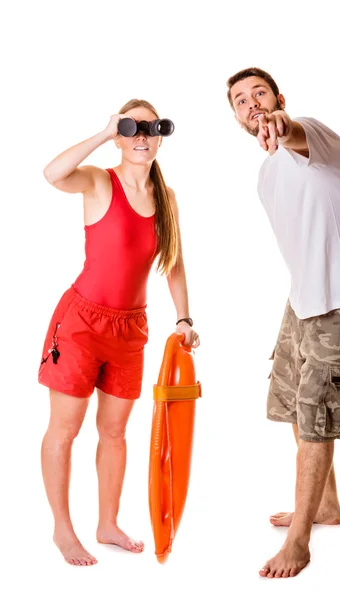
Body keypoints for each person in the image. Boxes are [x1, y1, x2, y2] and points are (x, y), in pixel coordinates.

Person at [226, 67, 340, 578]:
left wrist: (283, 122)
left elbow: (291, 129)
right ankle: (325, 505)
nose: (252, 105)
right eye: (240, 101)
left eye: (260, 95)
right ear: (234, 117)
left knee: (317, 420)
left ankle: (299, 543)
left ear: (279, 99)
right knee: (295, 404)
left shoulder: (311, 135)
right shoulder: (266, 173)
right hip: (305, 301)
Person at [39, 99, 200, 567]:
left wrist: (184, 318)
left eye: (150, 127)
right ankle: (62, 531)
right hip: (81, 324)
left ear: (160, 135)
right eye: (131, 128)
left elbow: (173, 264)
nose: (141, 136)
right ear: (120, 135)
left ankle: (106, 523)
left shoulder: (165, 199)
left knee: (114, 432)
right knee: (65, 430)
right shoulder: (97, 181)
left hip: (131, 328)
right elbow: (52, 173)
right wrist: (103, 131)